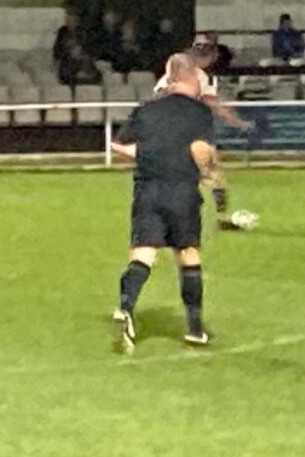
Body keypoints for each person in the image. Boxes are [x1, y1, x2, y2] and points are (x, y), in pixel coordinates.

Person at [109, 53, 219, 351]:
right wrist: (212, 179)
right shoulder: (199, 113)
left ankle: (125, 308)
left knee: (143, 253)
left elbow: (118, 144)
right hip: (182, 189)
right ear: (192, 78)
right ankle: (195, 329)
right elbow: (202, 150)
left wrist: (148, 156)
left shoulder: (147, 110)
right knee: (188, 253)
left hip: (147, 189)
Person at [154, 38, 255, 230]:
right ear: (209, 57)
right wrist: (237, 122)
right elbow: (212, 103)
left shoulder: (171, 74)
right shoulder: (200, 76)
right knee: (212, 173)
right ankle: (218, 217)